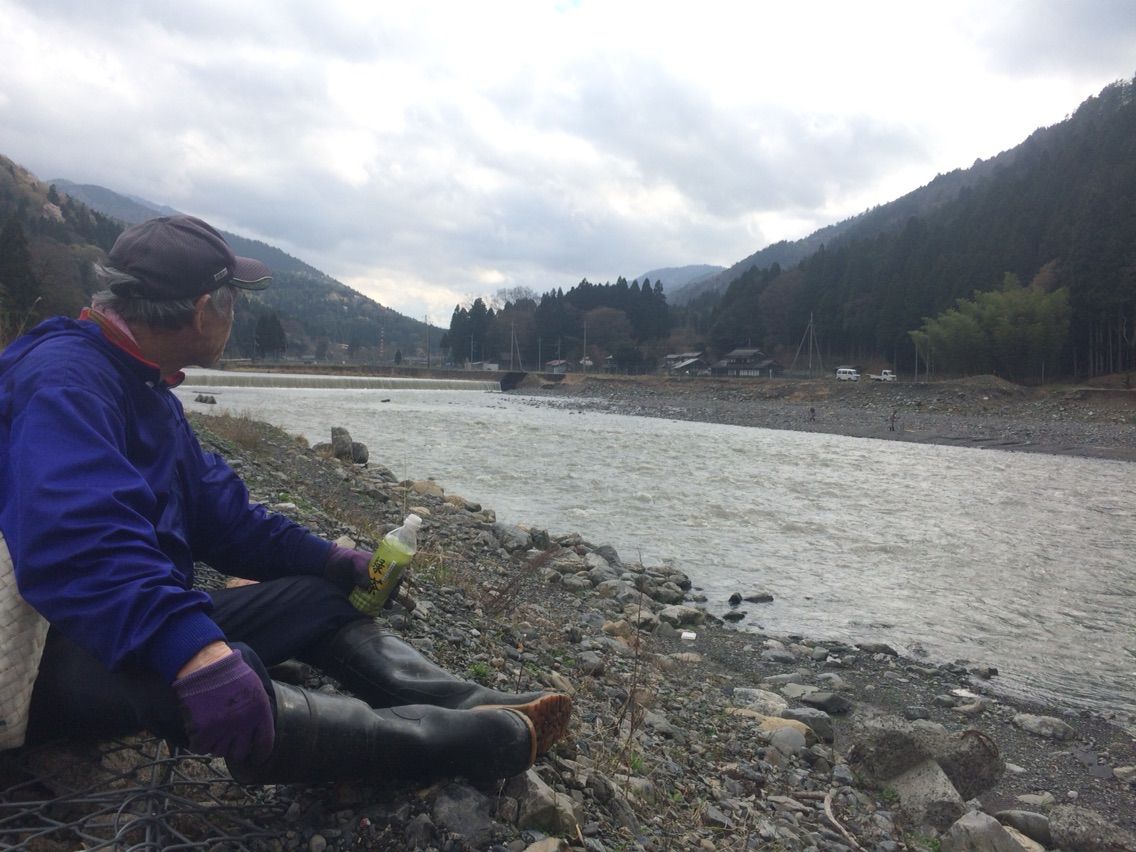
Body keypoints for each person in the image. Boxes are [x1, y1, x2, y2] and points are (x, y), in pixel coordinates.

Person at [0, 215, 570, 785]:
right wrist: (193, 651)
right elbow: (79, 543)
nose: (236, 316)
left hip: (123, 617)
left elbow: (225, 520)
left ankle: (460, 701)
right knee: (226, 674)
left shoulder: (143, 384)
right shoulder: (65, 381)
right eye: (234, 301)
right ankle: (456, 742)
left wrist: (330, 560)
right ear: (203, 312)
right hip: (45, 655)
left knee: (320, 597)